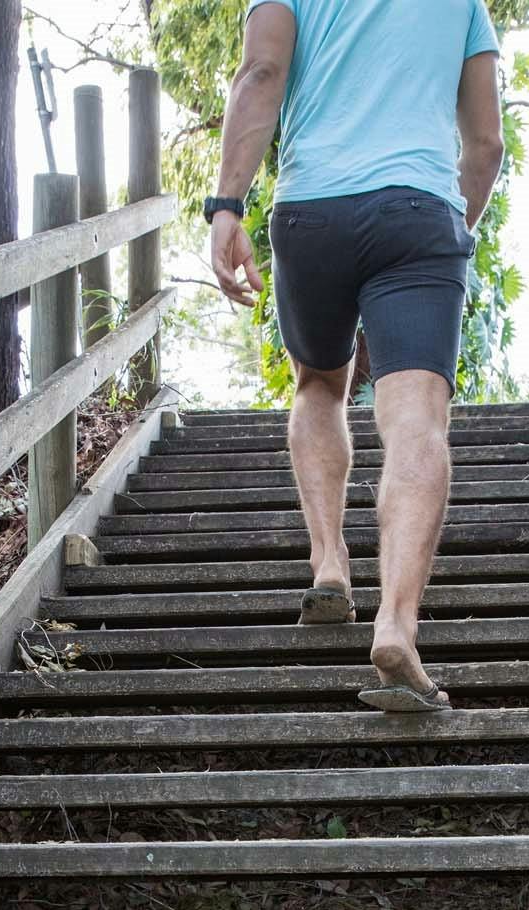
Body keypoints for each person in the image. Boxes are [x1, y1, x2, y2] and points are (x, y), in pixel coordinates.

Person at [205, 0, 505, 712]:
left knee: (318, 385)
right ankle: (397, 623)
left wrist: (226, 205)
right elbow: (486, 144)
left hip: (313, 210)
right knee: (415, 418)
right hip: (419, 209)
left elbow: (263, 71)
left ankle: (330, 563)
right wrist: (447, 231)